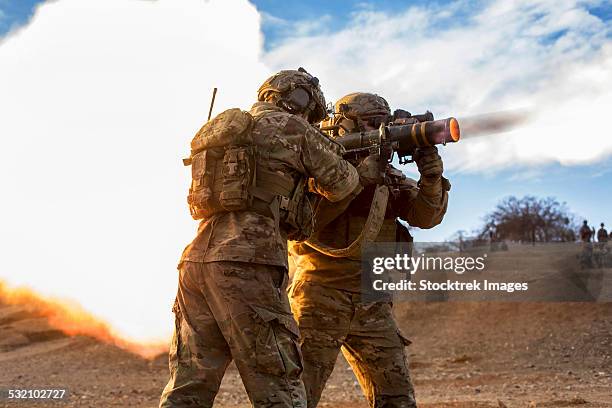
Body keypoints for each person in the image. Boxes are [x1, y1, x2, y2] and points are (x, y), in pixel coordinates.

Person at [159, 70, 376, 408]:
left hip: (195, 262)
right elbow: (343, 184)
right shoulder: (293, 128)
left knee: (188, 386)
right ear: (300, 101)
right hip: (250, 263)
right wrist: (362, 167)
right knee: (279, 384)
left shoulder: (226, 129)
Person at [288, 92, 450, 408]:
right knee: (297, 397)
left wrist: (431, 178)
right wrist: (356, 180)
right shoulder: (318, 168)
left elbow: (425, 217)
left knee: (397, 398)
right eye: (371, 123)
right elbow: (303, 224)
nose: (380, 129)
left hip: (372, 301)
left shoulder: (388, 177)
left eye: (383, 123)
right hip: (321, 294)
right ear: (345, 125)